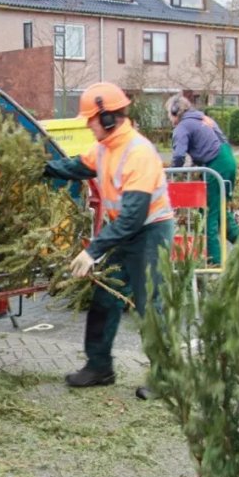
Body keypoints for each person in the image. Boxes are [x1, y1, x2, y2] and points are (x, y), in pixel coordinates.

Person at [43, 82, 175, 388]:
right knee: (104, 299)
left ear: (106, 118)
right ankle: (99, 367)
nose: (88, 126)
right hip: (123, 233)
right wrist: (44, 169)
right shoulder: (104, 148)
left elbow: (133, 216)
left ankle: (167, 377)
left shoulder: (138, 152)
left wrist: (92, 251)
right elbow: (78, 165)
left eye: (90, 119)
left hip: (150, 233)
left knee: (150, 304)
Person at [165, 95, 239, 266]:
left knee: (209, 216)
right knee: (218, 210)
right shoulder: (203, 118)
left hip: (215, 166)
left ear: (175, 111)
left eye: (169, 114)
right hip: (227, 160)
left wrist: (170, 176)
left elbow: (178, 156)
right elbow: (221, 140)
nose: (169, 118)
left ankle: (215, 263)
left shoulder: (182, 126)